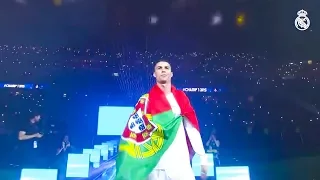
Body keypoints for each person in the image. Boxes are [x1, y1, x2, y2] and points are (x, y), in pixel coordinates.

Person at [116, 60, 208, 180]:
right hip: (155, 163)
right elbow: (134, 133)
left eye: (166, 68)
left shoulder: (181, 97)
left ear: (171, 73)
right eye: (159, 68)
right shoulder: (145, 100)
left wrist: (202, 157)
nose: (163, 70)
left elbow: (191, 128)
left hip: (179, 161)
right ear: (154, 74)